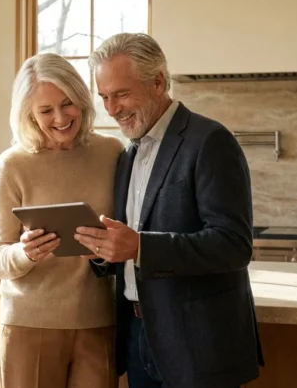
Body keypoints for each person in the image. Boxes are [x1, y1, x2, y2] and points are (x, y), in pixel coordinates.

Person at [73, 33, 264, 388]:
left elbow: (234, 245)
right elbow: (131, 239)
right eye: (104, 98)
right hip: (137, 335)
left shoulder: (210, 141)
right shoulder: (128, 154)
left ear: (158, 80)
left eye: (121, 94)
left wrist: (140, 247)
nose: (112, 109)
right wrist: (103, 252)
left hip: (198, 344)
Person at [0, 52, 125, 388]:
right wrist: (24, 253)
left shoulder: (112, 153)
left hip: (97, 320)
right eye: (46, 110)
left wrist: (108, 248)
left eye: (67, 104)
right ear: (29, 114)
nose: (60, 118)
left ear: (81, 99)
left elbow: (130, 234)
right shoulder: (12, 165)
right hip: (29, 324)